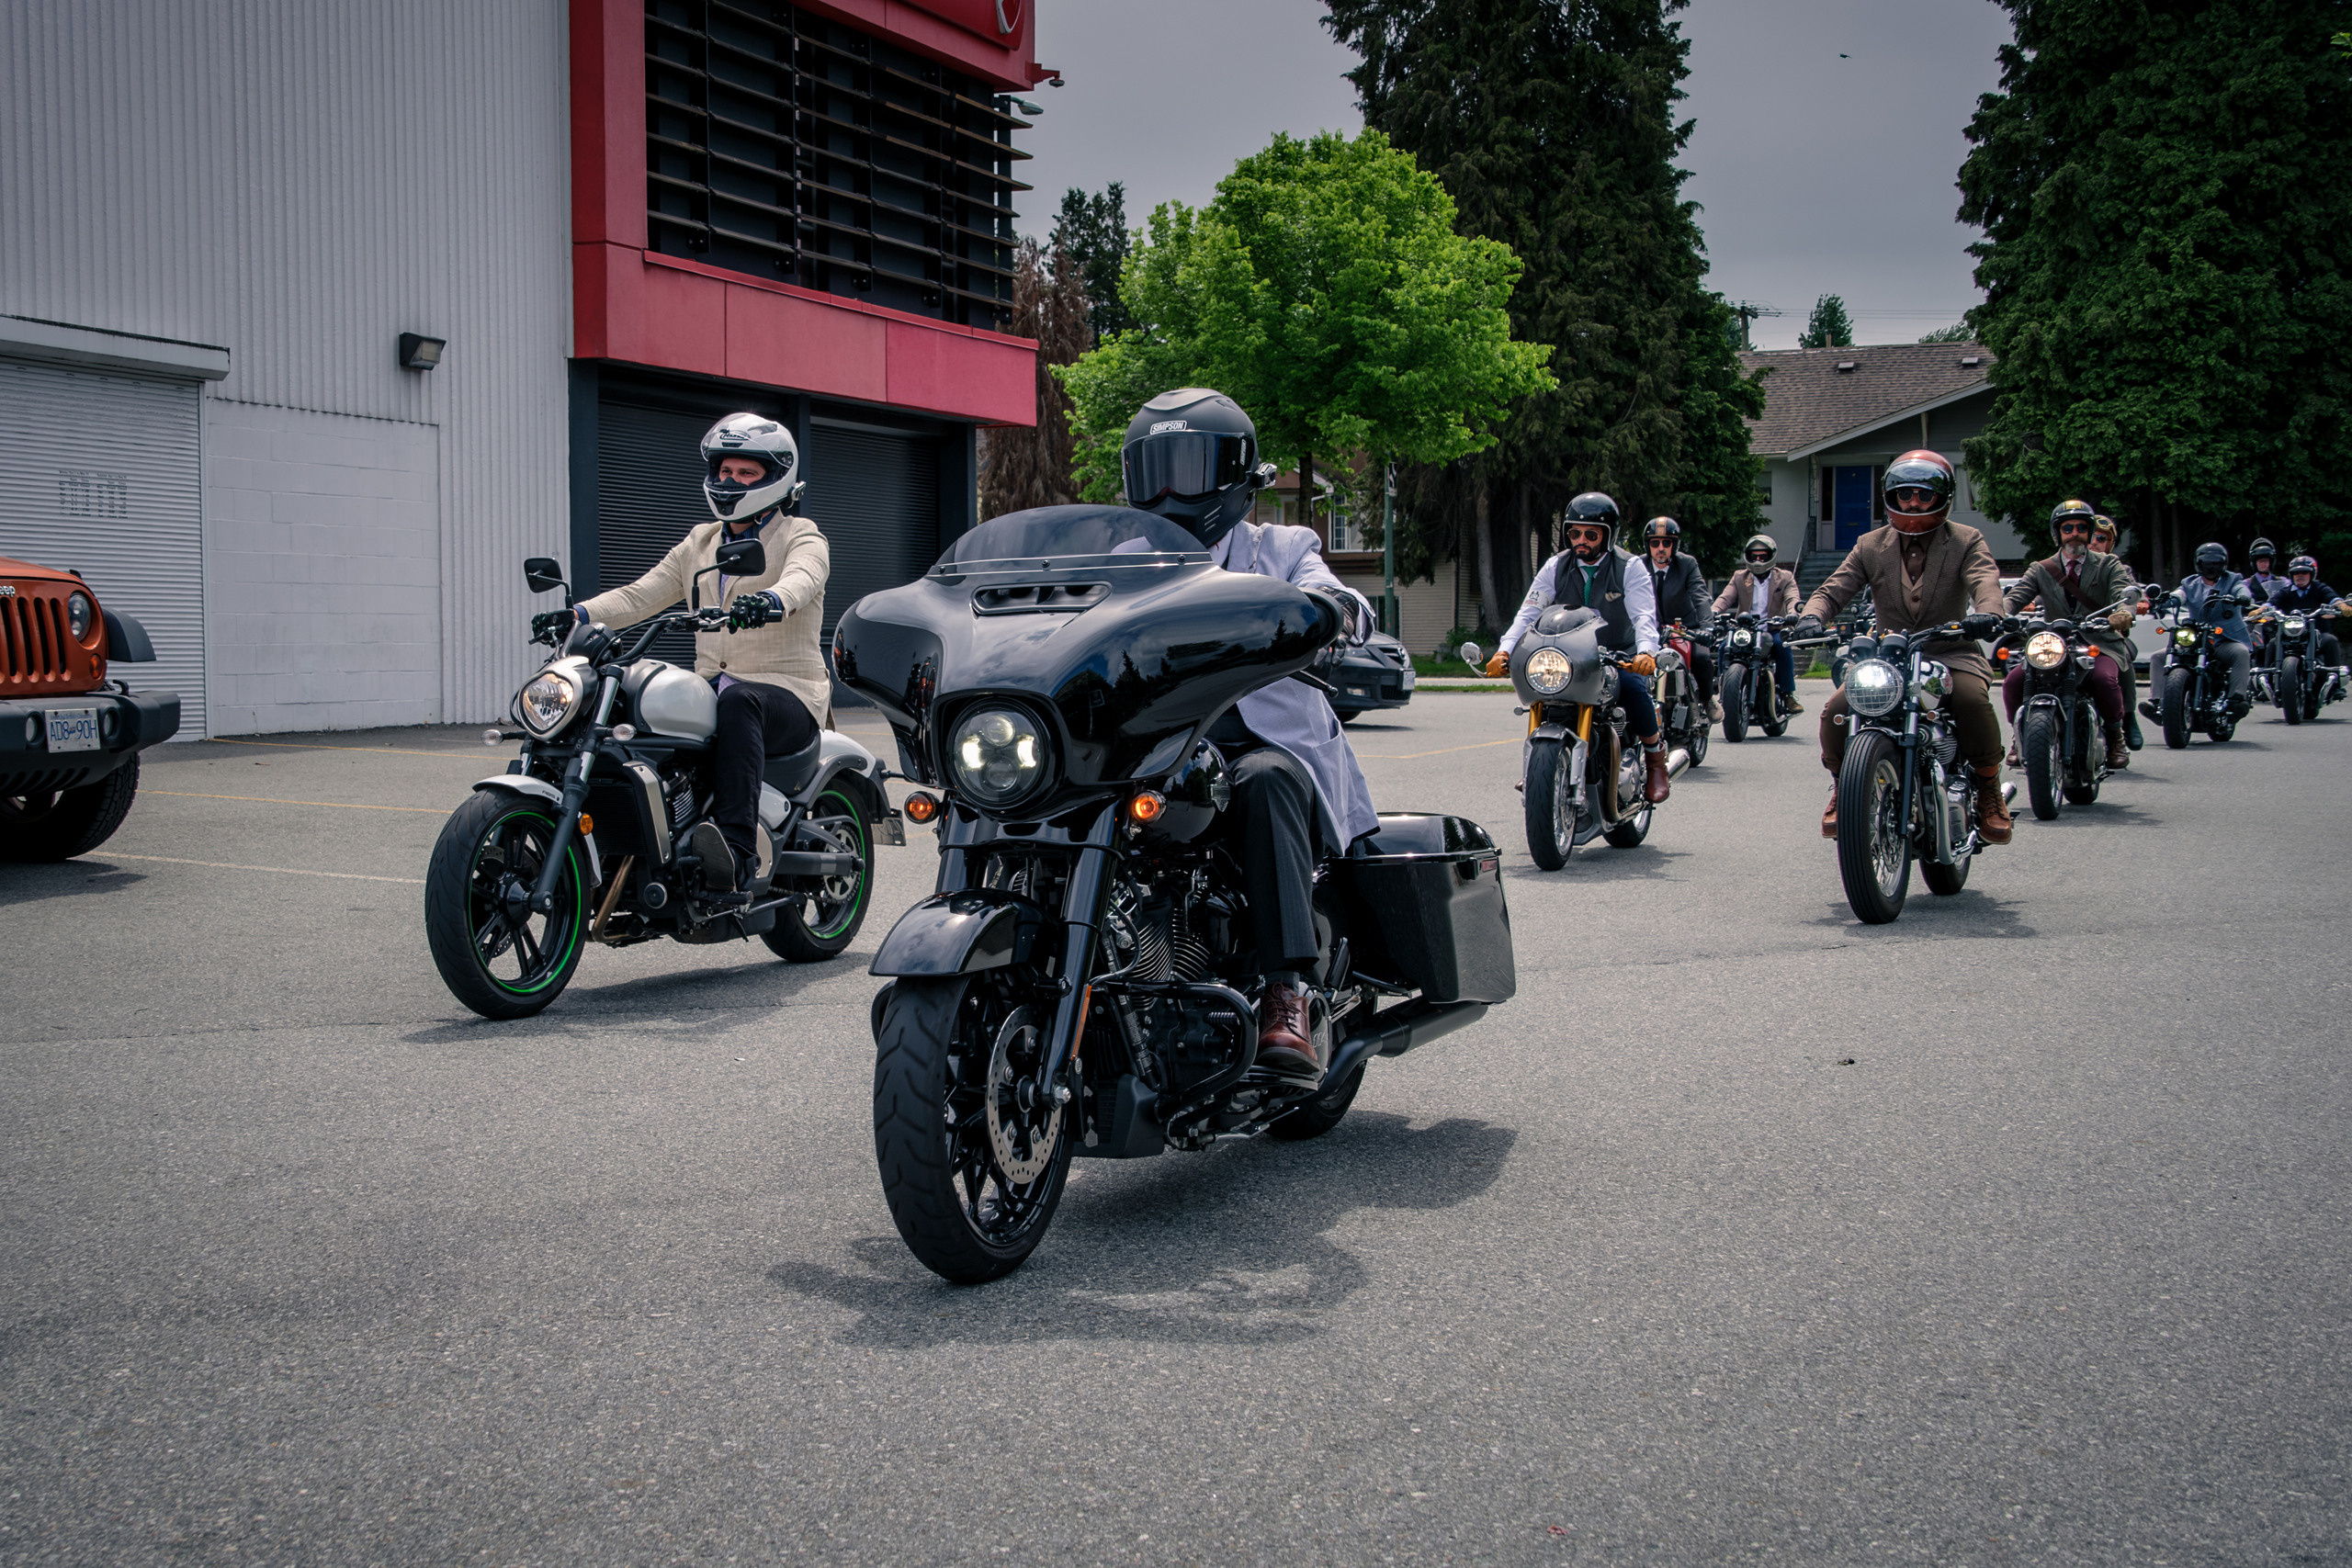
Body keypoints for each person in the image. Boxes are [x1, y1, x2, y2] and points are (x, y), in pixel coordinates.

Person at [1119, 388, 1375, 1082]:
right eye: (1156, 468)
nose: (1172, 488)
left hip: (1262, 744)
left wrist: (1334, 613)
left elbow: (1341, 600)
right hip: (1158, 748)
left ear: (1235, 476)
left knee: (1260, 782)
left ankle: (1285, 990)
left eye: (1189, 466)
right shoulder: (1126, 562)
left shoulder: (1282, 548)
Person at [535, 412, 830, 897]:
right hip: (715, 687)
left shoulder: (801, 534)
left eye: (746, 474)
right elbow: (640, 595)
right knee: (634, 701)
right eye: (724, 471)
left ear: (776, 478)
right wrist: (578, 615)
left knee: (740, 703)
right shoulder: (701, 542)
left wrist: (772, 601)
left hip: (785, 694)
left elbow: (804, 577)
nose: (730, 481)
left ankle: (736, 853)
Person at [1793, 450, 2011, 844]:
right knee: (1837, 710)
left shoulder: (1965, 540)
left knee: (1971, 699)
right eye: (1905, 493)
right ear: (1890, 495)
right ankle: (1845, 785)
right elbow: (1834, 588)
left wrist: (1989, 612)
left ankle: (1989, 789)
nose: (1913, 502)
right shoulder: (1870, 544)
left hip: (1951, 651)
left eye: (1924, 495)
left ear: (1942, 497)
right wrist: (1813, 616)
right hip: (1890, 655)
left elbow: (1985, 580)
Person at [1487, 492, 1673, 804]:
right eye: (1574, 533)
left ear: (1607, 535)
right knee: (1544, 695)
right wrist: (1504, 650)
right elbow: (1529, 612)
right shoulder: (1555, 566)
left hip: (1617, 655)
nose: (1581, 540)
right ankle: (1540, 766)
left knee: (1634, 688)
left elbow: (1643, 615)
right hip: (1568, 655)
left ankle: (1655, 760)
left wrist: (1645, 652)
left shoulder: (1630, 567)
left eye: (1590, 534)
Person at [2002, 500, 2135, 770]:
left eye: (2081, 528)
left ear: (2088, 532)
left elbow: (2124, 594)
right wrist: (1997, 614)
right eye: (2068, 528)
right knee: (2014, 682)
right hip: (2055, 643)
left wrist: (2123, 612)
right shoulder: (2041, 568)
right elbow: (2016, 597)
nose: (2074, 533)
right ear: (2058, 534)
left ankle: (2115, 735)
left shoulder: (2108, 564)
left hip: (2100, 641)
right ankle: (2020, 736)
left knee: (2104, 679)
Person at [2145, 543, 2256, 720]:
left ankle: (2237, 699)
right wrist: (2162, 601)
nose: (2211, 567)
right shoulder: (2189, 583)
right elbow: (2178, 595)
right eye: (2206, 563)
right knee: (2158, 657)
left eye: (2215, 563)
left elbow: (2242, 590)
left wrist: (2242, 597)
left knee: (2241, 653)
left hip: (2224, 639)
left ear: (2223, 564)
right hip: (2196, 639)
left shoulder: (2233, 580)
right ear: (2199, 564)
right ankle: (2158, 703)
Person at [1709, 533, 1803, 714]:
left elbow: (1792, 597)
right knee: (1723, 648)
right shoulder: (1739, 577)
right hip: (1745, 630)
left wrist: (1792, 613)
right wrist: (1713, 611)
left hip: (1773, 628)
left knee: (1781, 646)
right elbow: (1725, 597)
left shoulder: (1784, 577)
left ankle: (1787, 694)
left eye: (1763, 556)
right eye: (1754, 556)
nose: (1758, 560)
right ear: (1747, 556)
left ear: (1771, 556)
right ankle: (1724, 690)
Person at [1639, 516, 1718, 720]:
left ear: (1675, 545)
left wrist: (1707, 629)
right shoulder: (1637, 566)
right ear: (1648, 545)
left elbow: (1700, 596)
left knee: (1702, 658)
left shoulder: (1687, 564)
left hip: (1686, 628)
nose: (1661, 548)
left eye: (1667, 542)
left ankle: (1708, 699)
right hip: (1650, 630)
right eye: (1655, 543)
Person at [2086, 515, 2144, 748]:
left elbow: (2129, 592)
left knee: (2125, 661)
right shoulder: (2063, 565)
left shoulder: (2119, 568)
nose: (2094, 542)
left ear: (2109, 544)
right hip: (2070, 634)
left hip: (2108, 635)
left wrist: (2131, 608)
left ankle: (2128, 717)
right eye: (2090, 537)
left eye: (2101, 538)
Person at [2261, 555, 2347, 678]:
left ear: (2312, 574)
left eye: (2304, 572)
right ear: (2291, 575)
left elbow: (2333, 598)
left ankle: (2335, 681)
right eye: (2296, 573)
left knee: (2330, 641)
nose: (2299, 575)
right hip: (2290, 636)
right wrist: (2260, 610)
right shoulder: (2285, 592)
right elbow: (2272, 602)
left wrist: (2343, 607)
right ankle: (2267, 682)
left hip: (2317, 634)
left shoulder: (2320, 588)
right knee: (2273, 643)